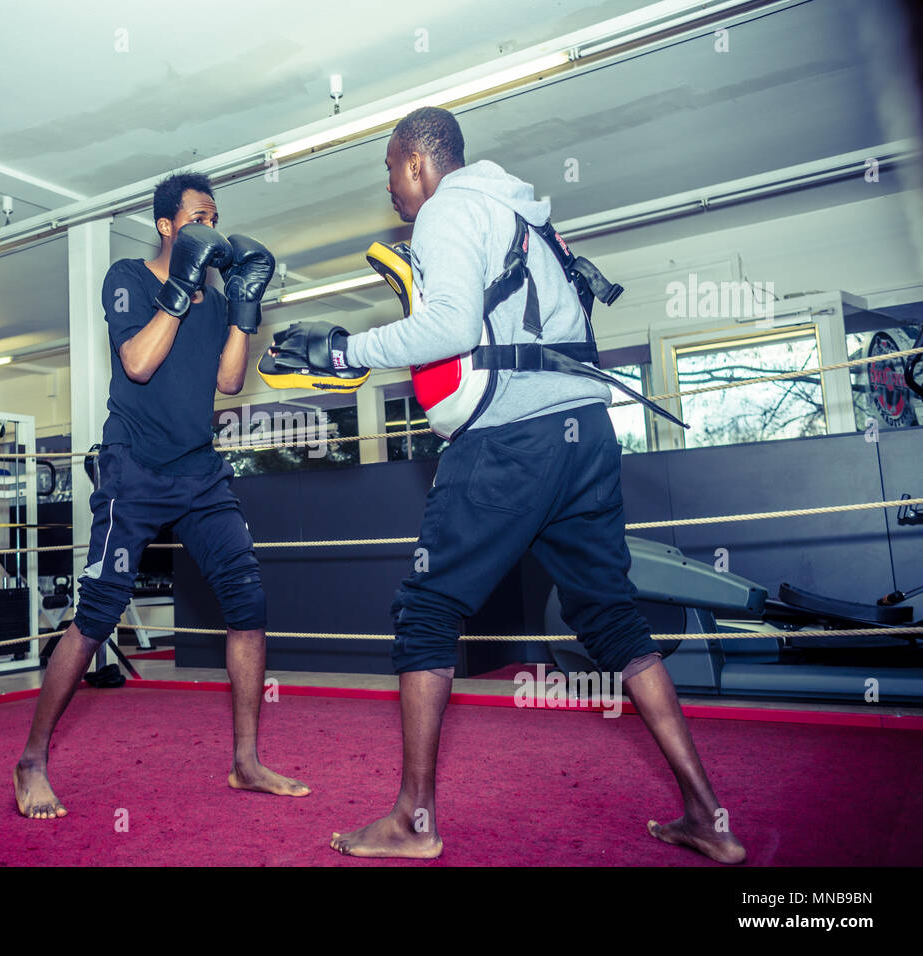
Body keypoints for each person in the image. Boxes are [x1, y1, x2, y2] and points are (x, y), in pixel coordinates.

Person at [267, 107, 745, 863]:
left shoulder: (448, 212)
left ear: (419, 164)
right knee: (614, 620)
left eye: (391, 170)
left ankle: (412, 823)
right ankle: (707, 816)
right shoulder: (525, 215)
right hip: (585, 433)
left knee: (426, 610)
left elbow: (451, 328)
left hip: (509, 440)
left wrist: (345, 351)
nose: (389, 187)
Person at [13, 172, 310, 819]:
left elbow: (230, 381)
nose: (212, 226)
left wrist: (245, 306)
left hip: (200, 473)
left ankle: (246, 761)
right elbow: (139, 363)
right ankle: (31, 759)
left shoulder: (215, 297)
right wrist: (179, 289)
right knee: (96, 617)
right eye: (200, 216)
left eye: (216, 215)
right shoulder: (127, 277)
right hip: (135, 473)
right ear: (168, 227)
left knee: (248, 601)